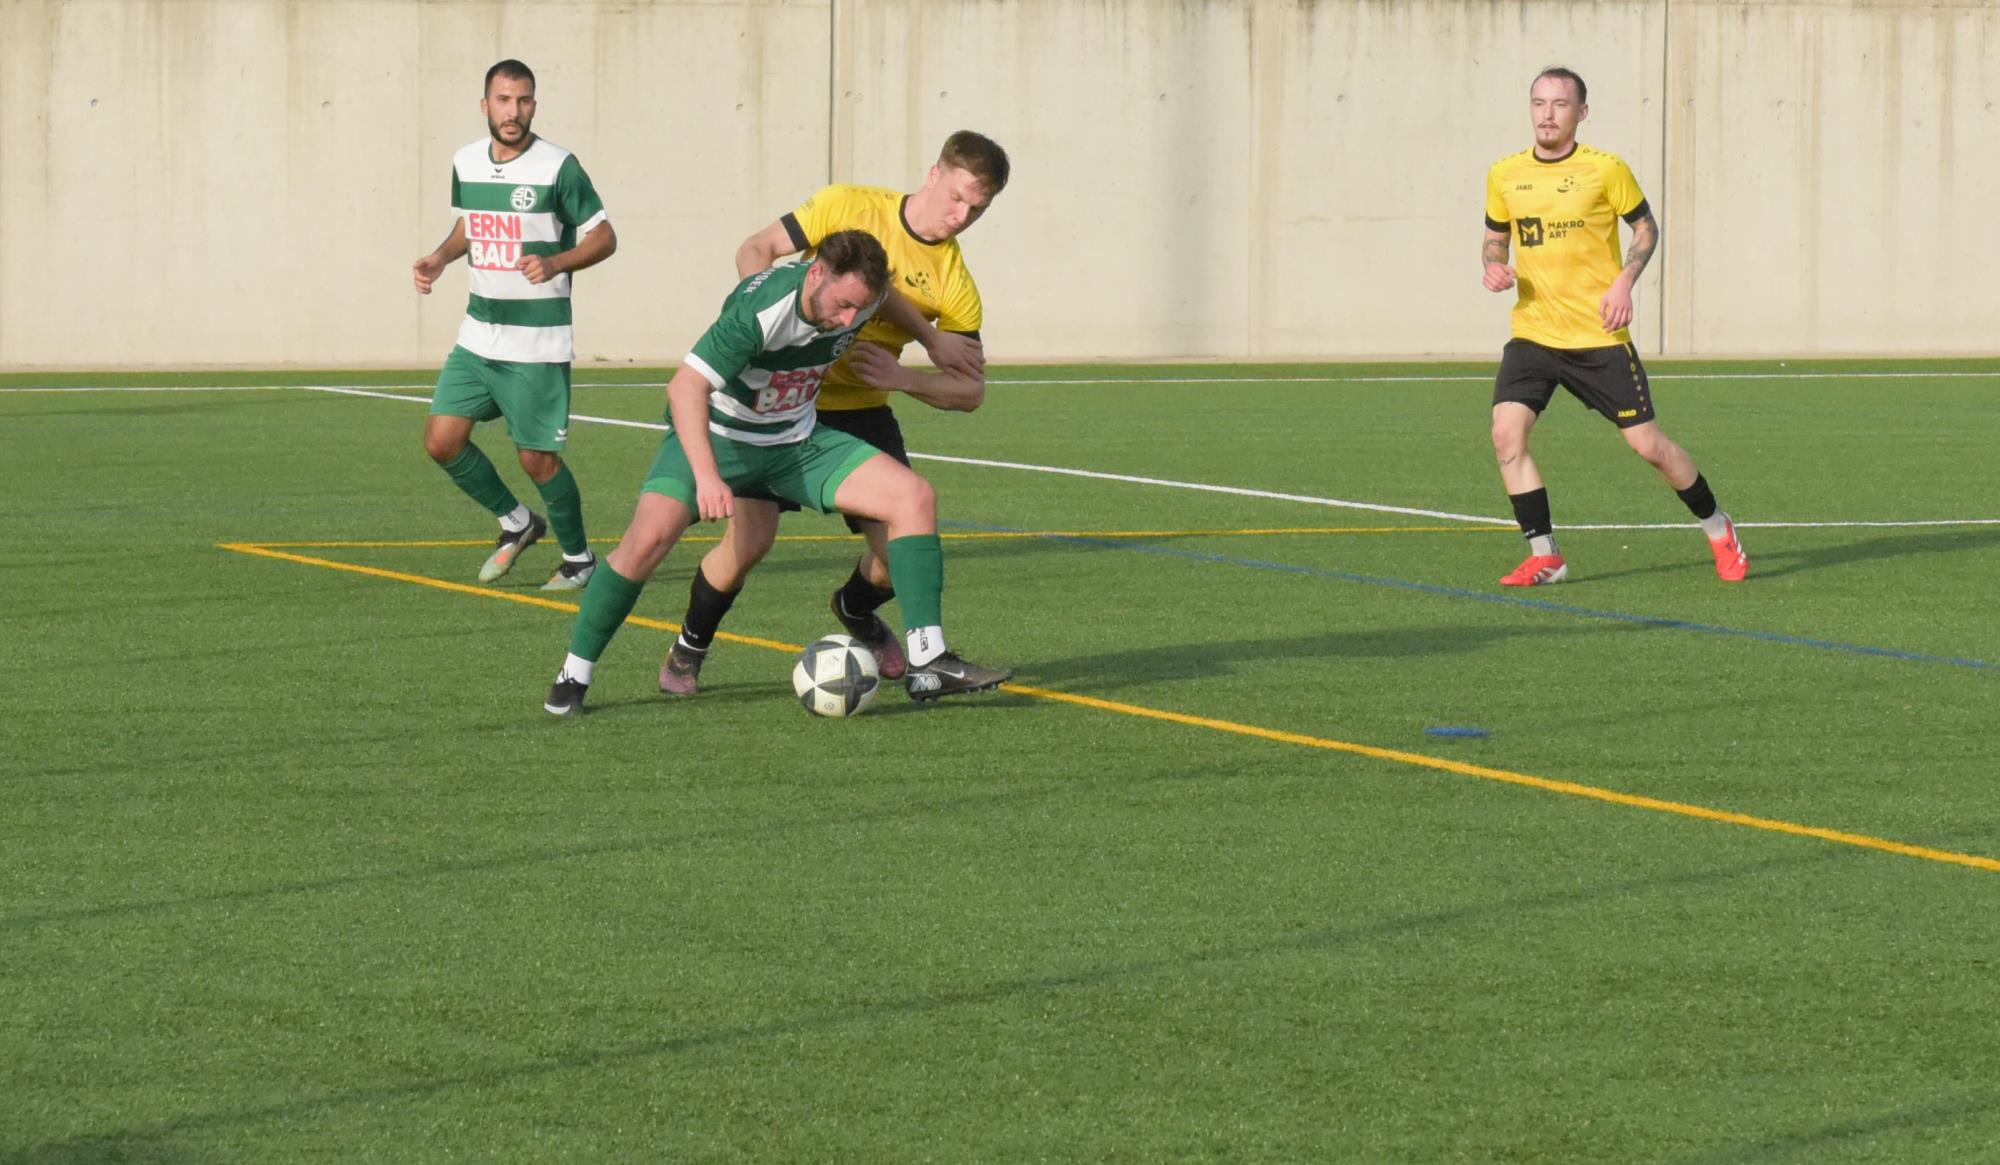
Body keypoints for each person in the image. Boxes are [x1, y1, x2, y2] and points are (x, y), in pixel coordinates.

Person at [542, 230, 1012, 716]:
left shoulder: (864, 298)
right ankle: (573, 676)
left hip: (796, 443)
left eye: (861, 307)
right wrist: (707, 477)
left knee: (913, 497)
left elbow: (884, 296)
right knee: (647, 541)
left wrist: (931, 339)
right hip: (720, 438)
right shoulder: (759, 312)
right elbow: (685, 389)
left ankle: (928, 661)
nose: (850, 320)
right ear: (816, 273)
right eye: (845, 304)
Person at [656, 131, 1011, 696]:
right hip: (778, 404)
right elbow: (757, 248)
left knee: (897, 553)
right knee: (749, 544)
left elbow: (970, 393)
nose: (962, 215)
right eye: (958, 196)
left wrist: (905, 378)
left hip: (861, 412)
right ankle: (687, 650)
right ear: (933, 174)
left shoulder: (956, 283)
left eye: (979, 208)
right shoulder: (848, 205)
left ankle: (857, 610)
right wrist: (758, 320)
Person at [1481, 67, 1746, 585]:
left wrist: (1625, 281)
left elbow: (1645, 227)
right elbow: (1495, 236)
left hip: (1598, 336)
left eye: (1560, 104)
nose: (1547, 114)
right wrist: (1493, 263)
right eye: (1538, 103)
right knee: (1505, 436)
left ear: (1581, 112)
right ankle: (1545, 555)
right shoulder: (1504, 173)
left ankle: (1718, 527)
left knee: (1650, 448)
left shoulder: (1606, 169)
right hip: (1534, 332)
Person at [412, 59, 617, 590]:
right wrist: (440, 257)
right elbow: (472, 223)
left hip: (537, 342)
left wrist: (555, 263)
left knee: (537, 459)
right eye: (504, 100)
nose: (514, 111)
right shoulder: (465, 161)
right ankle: (516, 522)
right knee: (442, 440)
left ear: (534, 105)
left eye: (524, 100)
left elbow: (603, 237)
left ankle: (579, 559)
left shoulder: (558, 166)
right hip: (479, 334)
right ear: (486, 105)